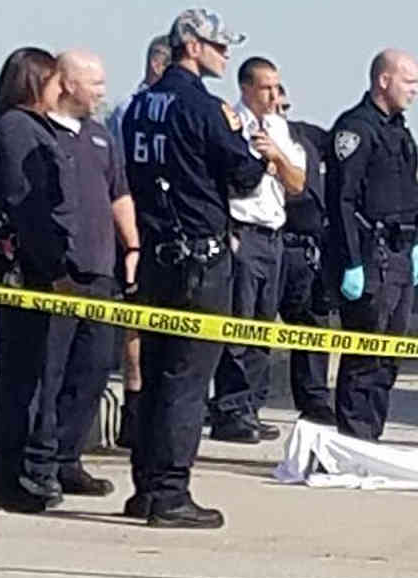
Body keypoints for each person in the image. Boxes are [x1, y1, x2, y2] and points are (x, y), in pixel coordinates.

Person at [121, 8, 268, 528]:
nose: (225, 55)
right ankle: (171, 492)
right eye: (218, 46)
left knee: (156, 375)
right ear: (191, 46)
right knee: (187, 378)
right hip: (200, 261)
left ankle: (144, 485)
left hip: (156, 255)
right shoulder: (204, 108)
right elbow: (245, 174)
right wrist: (260, 154)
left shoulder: (139, 106)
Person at [21, 50, 140, 501]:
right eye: (95, 83)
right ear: (67, 83)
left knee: (92, 370)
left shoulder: (101, 137)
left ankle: (70, 458)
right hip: (58, 277)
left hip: (102, 273)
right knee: (49, 374)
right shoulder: (41, 133)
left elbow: (120, 193)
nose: (102, 91)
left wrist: (132, 246)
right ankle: (40, 463)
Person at [0, 47, 67, 513]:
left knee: (17, 372)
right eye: (54, 81)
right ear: (34, 83)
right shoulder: (19, 130)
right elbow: (26, 204)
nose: (60, 90)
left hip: (8, 261)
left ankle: (6, 473)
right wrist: (53, 264)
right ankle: (8, 477)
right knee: (21, 377)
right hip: (24, 268)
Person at [325, 49, 418, 440]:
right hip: (370, 255)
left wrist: (415, 242)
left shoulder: (399, 131)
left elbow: (408, 193)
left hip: (399, 251)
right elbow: (342, 200)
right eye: (408, 81)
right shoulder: (356, 129)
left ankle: (373, 435)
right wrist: (352, 260)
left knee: (389, 357)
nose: (415, 90)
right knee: (365, 356)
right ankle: (354, 438)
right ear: (384, 80)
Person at [209, 56, 306, 443]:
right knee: (239, 325)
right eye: (265, 87)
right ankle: (230, 409)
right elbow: (232, 181)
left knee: (264, 326)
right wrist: (256, 158)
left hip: (273, 235)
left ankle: (251, 405)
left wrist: (276, 157)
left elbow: (297, 183)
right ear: (247, 87)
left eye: (276, 87)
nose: (273, 95)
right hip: (242, 232)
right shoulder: (231, 123)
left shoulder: (279, 128)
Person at [108, 33, 170, 450]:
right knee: (135, 321)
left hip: (169, 227)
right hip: (136, 224)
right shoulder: (126, 110)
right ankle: (135, 407)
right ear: (157, 66)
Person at [277, 84, 335, 424]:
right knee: (250, 327)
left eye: (285, 105)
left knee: (313, 325)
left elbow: (346, 149)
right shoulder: (247, 136)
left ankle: (314, 401)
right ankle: (238, 407)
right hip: (269, 240)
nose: (280, 111)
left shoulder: (307, 136)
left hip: (307, 248)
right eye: (274, 104)